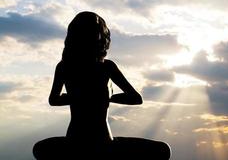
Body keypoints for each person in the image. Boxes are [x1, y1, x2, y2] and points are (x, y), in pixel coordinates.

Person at [32, 11, 171, 160]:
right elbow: (134, 98)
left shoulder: (65, 66)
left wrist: (78, 98)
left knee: (41, 148)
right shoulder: (105, 67)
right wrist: (103, 98)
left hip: (78, 138)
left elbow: (55, 100)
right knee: (162, 150)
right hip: (102, 140)